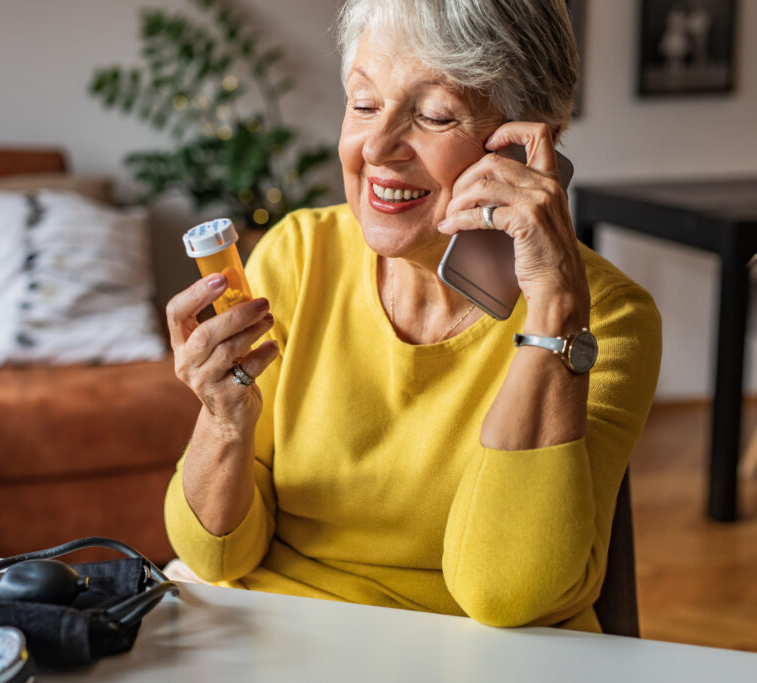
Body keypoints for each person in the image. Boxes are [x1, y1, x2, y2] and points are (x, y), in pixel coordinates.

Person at [163, 0, 661, 632]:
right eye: (364, 104)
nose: (376, 146)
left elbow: (507, 593)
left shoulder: (608, 319)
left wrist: (555, 310)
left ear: (523, 147)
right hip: (273, 635)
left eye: (433, 114)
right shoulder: (298, 254)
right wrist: (224, 424)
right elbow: (213, 555)